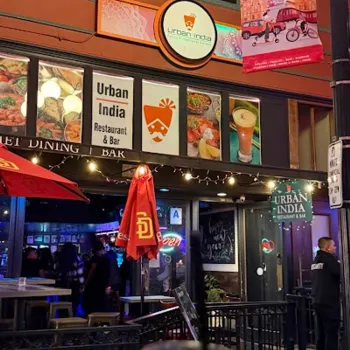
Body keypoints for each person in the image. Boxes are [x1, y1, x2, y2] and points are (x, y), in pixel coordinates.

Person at [311, 237, 341, 350]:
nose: (335, 247)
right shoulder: (330, 261)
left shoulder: (315, 261)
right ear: (327, 248)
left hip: (317, 301)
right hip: (330, 303)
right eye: (333, 245)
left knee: (321, 334)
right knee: (331, 334)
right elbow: (342, 273)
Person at [56, 243, 85, 316]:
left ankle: (62, 318)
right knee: (73, 303)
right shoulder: (76, 258)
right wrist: (82, 284)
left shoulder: (60, 258)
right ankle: (71, 318)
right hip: (74, 284)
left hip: (63, 283)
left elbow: (58, 272)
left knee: (62, 302)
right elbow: (80, 273)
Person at [83, 241, 111, 315]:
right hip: (103, 284)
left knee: (92, 303)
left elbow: (91, 272)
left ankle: (92, 319)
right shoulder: (107, 259)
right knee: (101, 303)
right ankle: (101, 319)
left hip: (94, 284)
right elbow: (108, 273)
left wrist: (86, 282)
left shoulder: (94, 259)